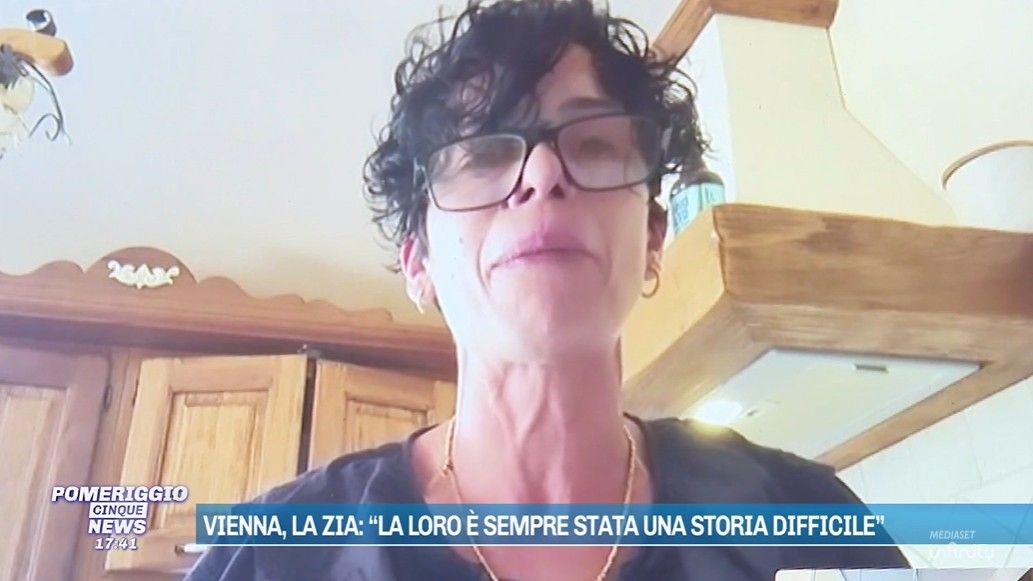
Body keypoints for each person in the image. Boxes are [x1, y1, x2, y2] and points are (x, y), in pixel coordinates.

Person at [187, 0, 909, 579]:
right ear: (419, 262)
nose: (541, 175)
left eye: (591, 143)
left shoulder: (810, 528)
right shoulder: (272, 558)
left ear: (652, 238)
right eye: (481, 153)